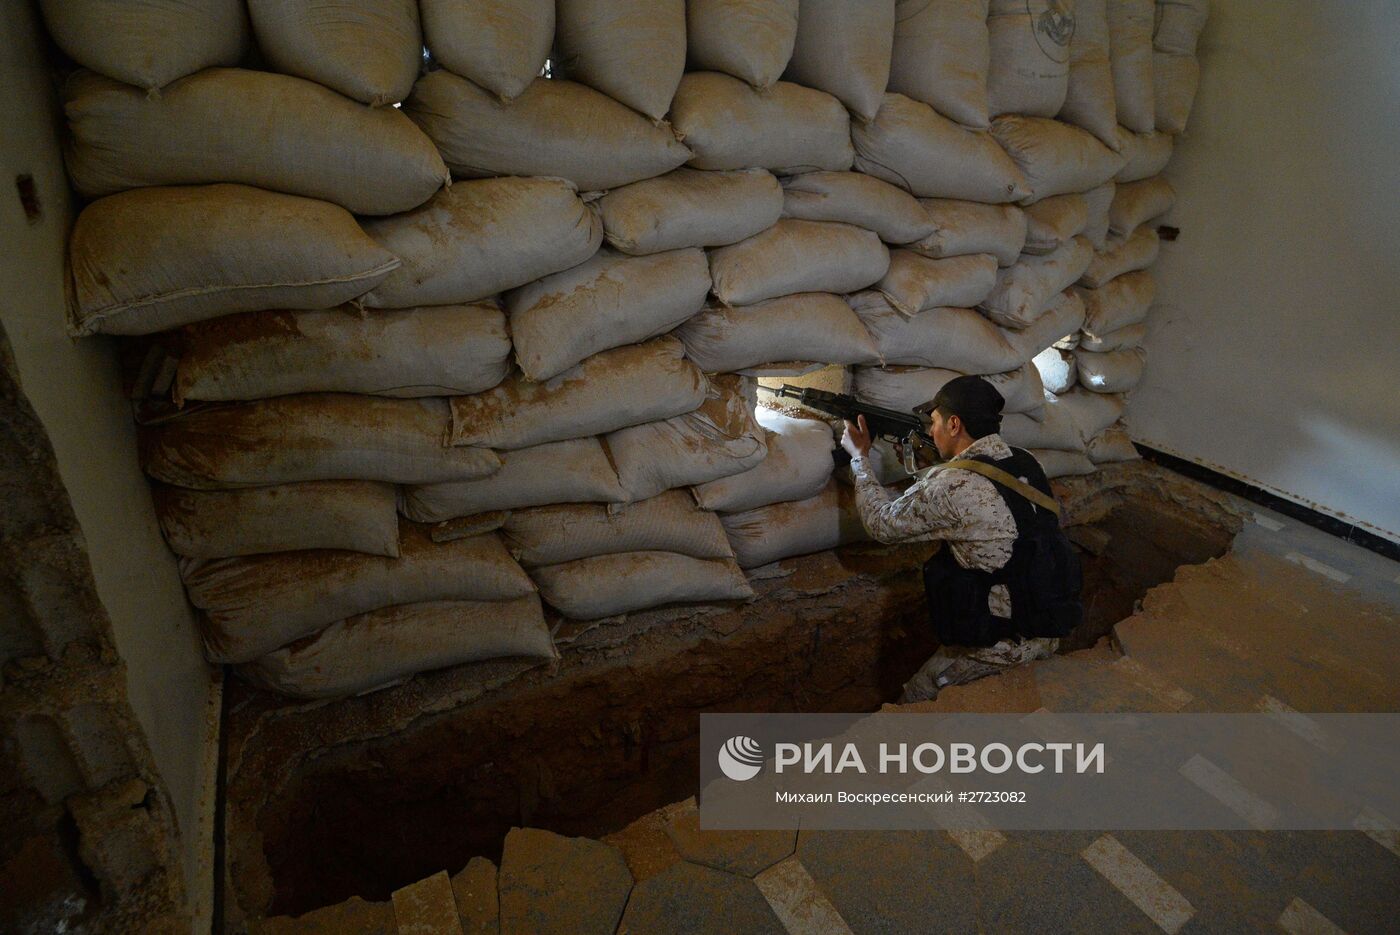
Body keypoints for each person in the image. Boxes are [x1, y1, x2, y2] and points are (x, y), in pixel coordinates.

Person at [840, 375, 1081, 703]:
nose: (929, 430)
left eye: (935, 421)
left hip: (995, 650)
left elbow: (881, 525)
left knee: (915, 700)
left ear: (954, 424)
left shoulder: (952, 486)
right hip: (1046, 628)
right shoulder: (1026, 461)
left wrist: (860, 458)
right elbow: (990, 495)